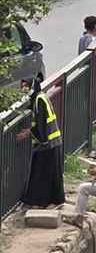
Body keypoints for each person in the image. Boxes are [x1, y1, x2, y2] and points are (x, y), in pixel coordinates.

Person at [18, 79, 64, 207]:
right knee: (50, 174)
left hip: (47, 143)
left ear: (32, 86)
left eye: (26, 86)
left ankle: (38, 202)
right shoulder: (40, 97)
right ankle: (54, 200)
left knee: (41, 175)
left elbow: (41, 125)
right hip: (52, 142)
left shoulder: (39, 100)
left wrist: (28, 133)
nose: (24, 89)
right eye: (22, 86)